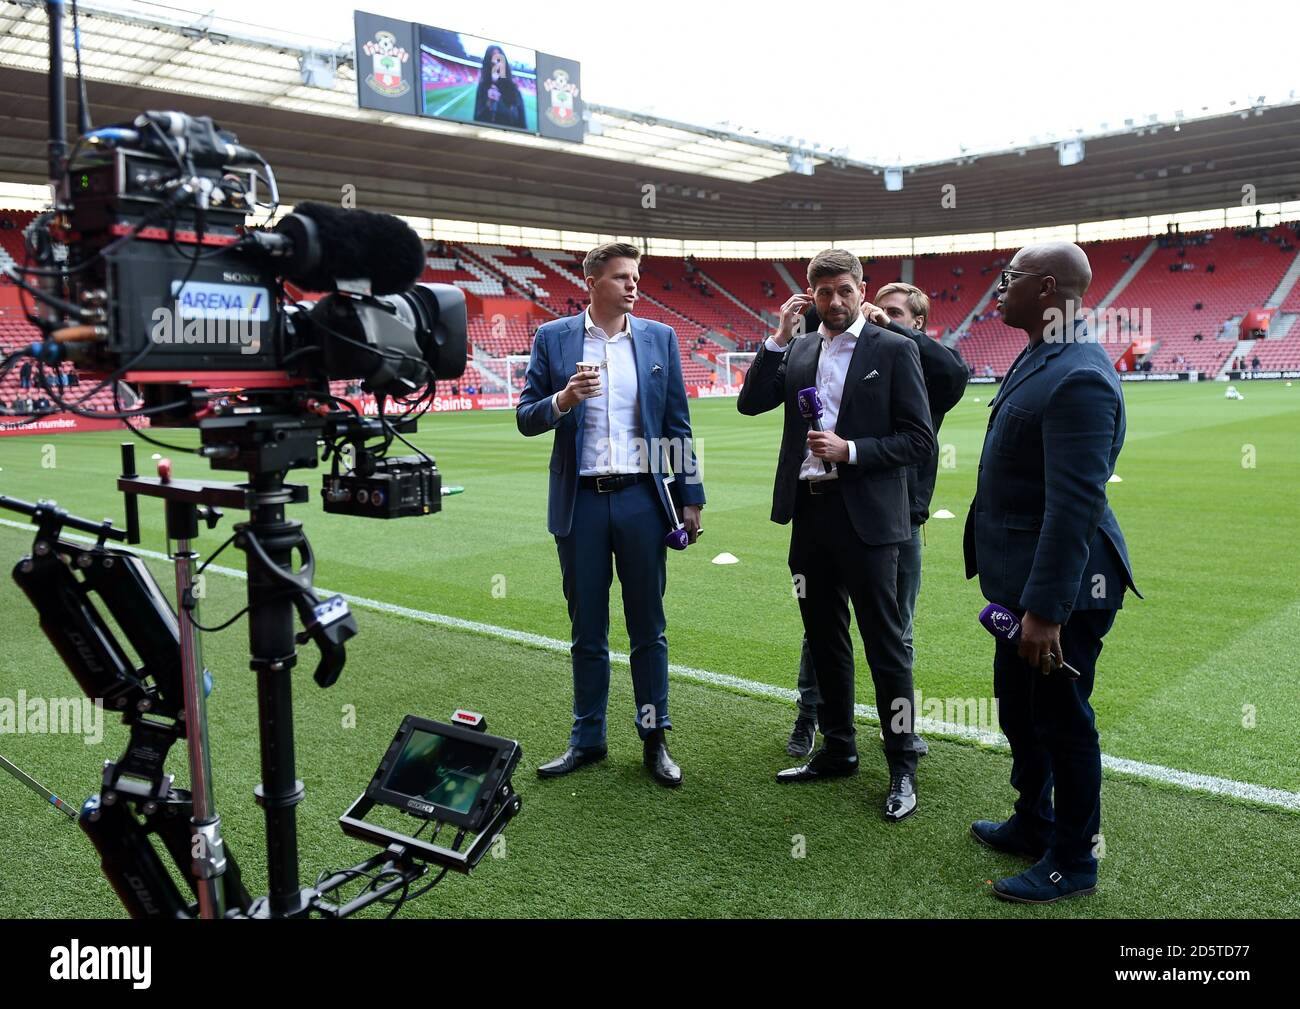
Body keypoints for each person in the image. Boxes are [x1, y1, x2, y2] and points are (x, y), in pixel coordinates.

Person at [965, 242, 1139, 903]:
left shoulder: (1080, 374)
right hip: (1022, 578)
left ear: (1044, 288)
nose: (995, 290)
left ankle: (1072, 859)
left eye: (1006, 280)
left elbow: (1074, 506)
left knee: (1063, 721)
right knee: (1019, 709)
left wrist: (1045, 610)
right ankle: (1033, 819)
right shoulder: (1044, 352)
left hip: (1066, 586)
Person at [738, 249, 934, 821]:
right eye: (824, 292)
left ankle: (901, 764)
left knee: (886, 645)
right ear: (810, 295)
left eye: (845, 290)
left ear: (861, 287)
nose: (836, 301)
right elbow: (752, 403)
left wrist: (851, 451)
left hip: (871, 520)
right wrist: (776, 339)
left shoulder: (894, 348)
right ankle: (838, 749)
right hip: (811, 514)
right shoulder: (799, 349)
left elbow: (919, 442)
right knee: (825, 638)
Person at [516, 242, 705, 788]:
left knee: (649, 628)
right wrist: (563, 400)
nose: (633, 285)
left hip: (643, 501)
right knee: (587, 629)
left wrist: (690, 496)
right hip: (580, 503)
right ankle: (588, 739)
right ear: (592, 280)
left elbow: (677, 424)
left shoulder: (657, 338)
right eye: (622, 276)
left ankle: (655, 739)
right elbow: (527, 418)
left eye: (636, 276)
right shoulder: (553, 338)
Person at [785, 283, 969, 760]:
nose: (877, 315)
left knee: (892, 631)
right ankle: (815, 720)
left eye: (893, 312)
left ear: (919, 323)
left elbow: (955, 373)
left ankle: (900, 735)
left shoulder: (918, 365)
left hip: (901, 519)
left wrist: (897, 334)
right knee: (822, 629)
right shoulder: (854, 353)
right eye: (877, 309)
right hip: (833, 511)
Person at [473, 45, 526, 129]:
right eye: (492, 61)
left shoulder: (514, 89)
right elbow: (476, 120)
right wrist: (489, 104)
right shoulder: (483, 88)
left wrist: (502, 105)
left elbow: (522, 123)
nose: (496, 65)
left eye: (499, 60)